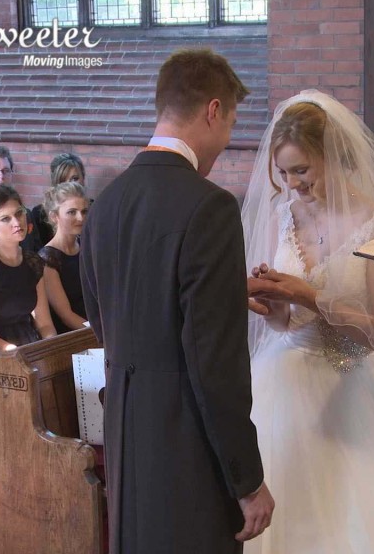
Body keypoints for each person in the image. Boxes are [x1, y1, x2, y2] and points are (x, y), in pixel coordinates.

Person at [240, 90, 374, 554]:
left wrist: (312, 296)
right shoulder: (284, 216)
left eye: (302, 170)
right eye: (283, 173)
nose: (293, 184)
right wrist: (274, 297)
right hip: (282, 376)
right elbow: (283, 321)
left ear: (335, 157)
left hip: (356, 381)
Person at [81, 48, 276, 554]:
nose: (228, 141)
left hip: (125, 423)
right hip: (185, 436)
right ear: (213, 110)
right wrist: (248, 480)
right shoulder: (209, 205)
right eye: (230, 122)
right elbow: (216, 365)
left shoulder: (107, 201)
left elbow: (101, 316)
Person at [0, 184, 54, 349]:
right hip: (0, 351)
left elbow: (44, 323)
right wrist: (16, 354)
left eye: (19, 213)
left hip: (31, 342)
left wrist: (51, 346)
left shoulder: (32, 260)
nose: (17, 222)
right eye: (5, 219)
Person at [38, 182, 89, 334]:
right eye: (72, 212)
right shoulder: (47, 259)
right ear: (54, 216)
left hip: (95, 325)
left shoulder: (85, 246)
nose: (80, 218)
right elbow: (66, 316)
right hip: (71, 335)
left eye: (84, 211)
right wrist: (100, 333)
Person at [29, 153, 87, 251]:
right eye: (63, 180)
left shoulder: (93, 207)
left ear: (83, 178)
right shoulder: (39, 213)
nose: (70, 184)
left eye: (75, 178)